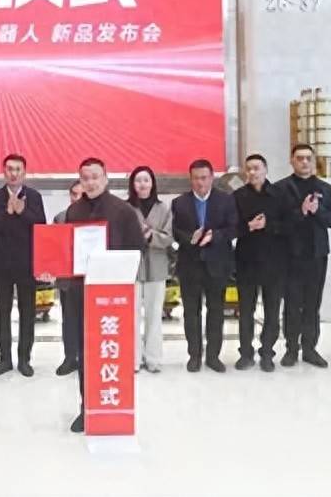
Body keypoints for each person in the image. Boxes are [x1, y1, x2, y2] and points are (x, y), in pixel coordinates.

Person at [62, 158, 145, 432]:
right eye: (85, 178)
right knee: (86, 352)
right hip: (82, 292)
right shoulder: (73, 211)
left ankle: (113, 406)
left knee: (112, 351)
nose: (90, 182)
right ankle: (87, 408)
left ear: (106, 178)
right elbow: (67, 251)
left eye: (95, 177)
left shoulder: (123, 211)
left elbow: (138, 249)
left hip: (113, 294)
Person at [171, 159, 239, 373]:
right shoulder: (179, 202)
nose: (200, 183)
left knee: (216, 311)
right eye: (196, 178)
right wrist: (189, 238)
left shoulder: (225, 200)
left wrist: (214, 236)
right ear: (190, 179)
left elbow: (233, 228)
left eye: (204, 178)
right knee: (191, 312)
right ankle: (194, 355)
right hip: (189, 264)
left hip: (217, 263)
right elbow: (175, 230)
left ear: (211, 178)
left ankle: (213, 356)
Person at [277, 144, 331, 368]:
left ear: (314, 161)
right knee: (292, 303)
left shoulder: (325, 189)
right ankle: (291, 348)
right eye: (299, 158)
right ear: (292, 161)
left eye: (308, 158)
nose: (304, 162)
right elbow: (276, 224)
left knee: (313, 303)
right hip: (290, 255)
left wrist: (316, 211)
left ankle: (310, 348)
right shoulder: (281, 188)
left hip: (316, 254)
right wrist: (301, 212)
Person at [0, 154, 47, 377]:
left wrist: (23, 211)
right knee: (2, 311)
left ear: (24, 172)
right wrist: (7, 212)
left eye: (18, 169)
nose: (13, 173)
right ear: (4, 171)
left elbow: (41, 225)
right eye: (10, 169)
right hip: (3, 265)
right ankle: (4, 358)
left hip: (27, 264)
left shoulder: (34, 197)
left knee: (27, 312)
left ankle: (24, 359)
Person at [233, 154, 288, 372]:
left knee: (272, 311)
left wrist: (268, 225)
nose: (252, 172)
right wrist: (249, 227)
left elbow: (290, 225)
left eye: (256, 168)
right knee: (245, 310)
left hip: (274, 261)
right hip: (246, 261)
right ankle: (245, 353)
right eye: (248, 169)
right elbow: (230, 228)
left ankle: (267, 352)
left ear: (266, 170)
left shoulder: (279, 195)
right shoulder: (238, 196)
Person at [127, 166, 172, 373]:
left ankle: (153, 358)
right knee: (132, 315)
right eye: (138, 180)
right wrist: (137, 237)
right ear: (132, 184)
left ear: (152, 183)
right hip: (132, 267)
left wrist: (151, 235)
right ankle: (134, 359)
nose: (142, 184)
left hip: (157, 265)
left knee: (154, 315)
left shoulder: (163, 209)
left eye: (146, 180)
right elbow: (120, 236)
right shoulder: (125, 208)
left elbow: (169, 237)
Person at [54, 181, 84, 376]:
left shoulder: (97, 216)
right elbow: (53, 247)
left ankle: (87, 357)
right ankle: (70, 358)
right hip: (67, 277)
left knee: (88, 320)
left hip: (89, 277)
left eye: (81, 194)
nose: (77, 198)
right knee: (69, 320)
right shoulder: (60, 218)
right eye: (74, 194)